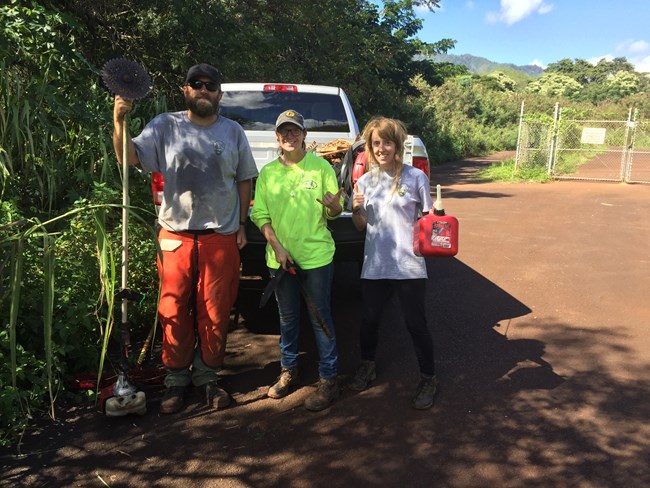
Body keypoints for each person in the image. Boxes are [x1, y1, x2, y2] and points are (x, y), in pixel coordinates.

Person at [112, 63, 258, 414]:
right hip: (175, 234)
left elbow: (244, 181)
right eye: (197, 84)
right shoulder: (165, 125)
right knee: (172, 307)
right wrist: (118, 121)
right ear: (186, 90)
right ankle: (175, 380)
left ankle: (207, 376)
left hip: (220, 235)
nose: (204, 90)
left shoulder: (233, 132)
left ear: (219, 95)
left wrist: (240, 225)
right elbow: (128, 157)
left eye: (211, 85)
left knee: (216, 309)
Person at [250, 110, 343, 412]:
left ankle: (329, 378)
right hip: (280, 260)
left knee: (320, 318)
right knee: (287, 319)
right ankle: (289, 371)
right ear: (277, 137)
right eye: (284, 132)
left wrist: (334, 207)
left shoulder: (320, 168)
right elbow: (260, 215)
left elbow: (333, 210)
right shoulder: (268, 173)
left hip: (316, 257)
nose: (289, 136)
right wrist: (276, 247)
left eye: (295, 131)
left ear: (304, 135)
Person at [349, 117, 437, 409]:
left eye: (387, 142)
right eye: (376, 143)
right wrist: (357, 209)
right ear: (370, 148)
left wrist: (437, 217)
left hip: (409, 264)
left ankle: (428, 377)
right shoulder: (364, 181)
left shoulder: (415, 178)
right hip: (375, 264)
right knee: (369, 320)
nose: (381, 148)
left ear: (397, 145)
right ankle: (367, 365)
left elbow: (429, 219)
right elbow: (361, 227)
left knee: (416, 323)